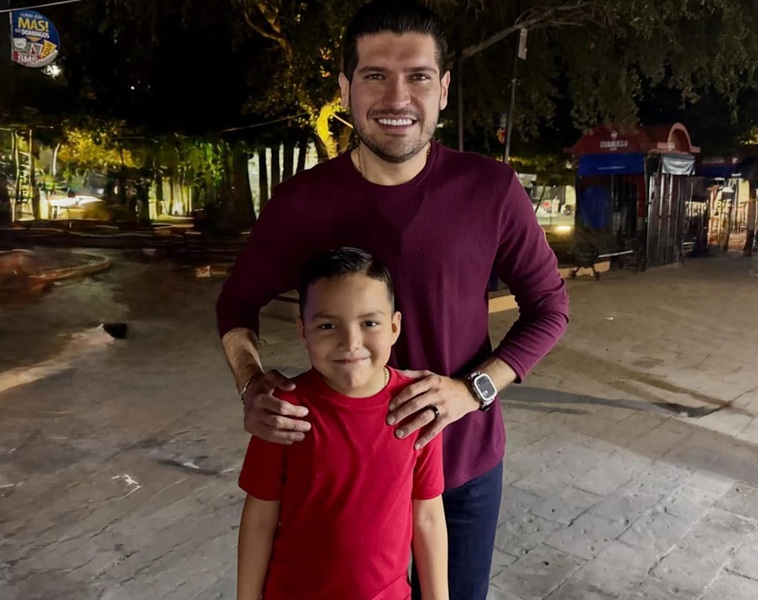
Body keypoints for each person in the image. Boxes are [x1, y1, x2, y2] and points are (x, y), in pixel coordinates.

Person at [216, 1, 569, 598]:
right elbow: (236, 304)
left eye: (418, 76)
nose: (397, 97)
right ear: (345, 88)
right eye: (376, 75)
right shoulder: (303, 202)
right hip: (337, 479)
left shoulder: (490, 189)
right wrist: (251, 384)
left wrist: (473, 390)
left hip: (458, 465)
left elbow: (550, 308)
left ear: (443, 89)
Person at [236, 247, 447, 600]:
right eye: (327, 326)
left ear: (394, 327)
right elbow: (259, 518)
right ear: (303, 331)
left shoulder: (417, 407)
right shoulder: (283, 412)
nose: (350, 342)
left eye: (369, 323)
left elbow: (427, 516)